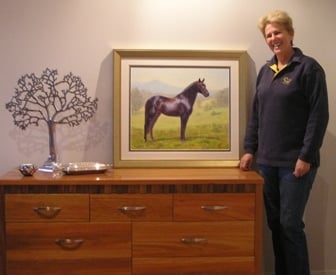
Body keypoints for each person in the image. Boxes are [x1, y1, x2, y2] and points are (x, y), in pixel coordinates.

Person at [240, 10, 329, 275]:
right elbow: (257, 114)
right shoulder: (265, 72)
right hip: (266, 163)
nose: (273, 38)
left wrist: (306, 156)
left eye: (278, 32)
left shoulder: (308, 68)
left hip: (295, 164)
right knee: (276, 225)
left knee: (290, 224)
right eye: (268, 35)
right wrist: (249, 149)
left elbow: (319, 115)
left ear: (290, 33)